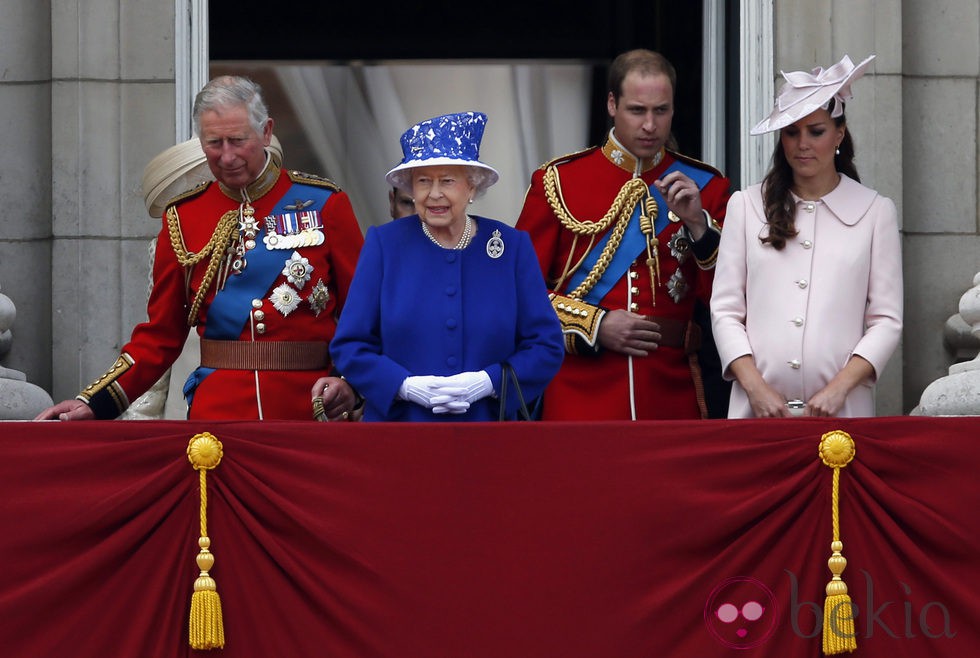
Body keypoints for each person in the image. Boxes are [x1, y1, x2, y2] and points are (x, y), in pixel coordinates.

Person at [36, 75, 365, 421]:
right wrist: (94, 402)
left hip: (308, 408)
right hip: (217, 412)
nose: (227, 156)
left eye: (238, 140)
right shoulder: (183, 216)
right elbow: (160, 336)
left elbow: (365, 314)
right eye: (214, 143)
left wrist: (349, 383)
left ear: (266, 132)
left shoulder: (324, 204)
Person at [515, 49, 732, 421]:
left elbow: (729, 300)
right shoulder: (559, 181)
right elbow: (518, 293)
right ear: (612, 104)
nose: (650, 125)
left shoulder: (707, 188)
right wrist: (595, 325)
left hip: (670, 394)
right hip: (578, 393)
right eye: (637, 110)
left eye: (661, 111)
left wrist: (698, 225)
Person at [330, 111, 564, 421]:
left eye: (448, 181)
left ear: (471, 187)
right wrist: (403, 386)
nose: (434, 194)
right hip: (400, 434)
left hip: (488, 433)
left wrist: (489, 382)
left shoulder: (511, 248)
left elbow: (546, 346)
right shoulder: (384, 245)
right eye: (423, 181)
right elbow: (350, 345)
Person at [710, 54, 903, 418]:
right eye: (791, 131)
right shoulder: (746, 206)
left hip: (842, 411)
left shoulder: (876, 211)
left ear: (839, 134)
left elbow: (886, 320)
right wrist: (755, 387)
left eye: (816, 131)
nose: (802, 144)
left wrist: (840, 388)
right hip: (757, 412)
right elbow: (725, 310)